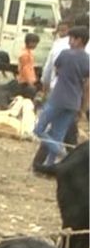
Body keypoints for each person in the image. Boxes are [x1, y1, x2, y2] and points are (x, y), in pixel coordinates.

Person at [32, 26, 88, 175]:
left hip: (58, 98)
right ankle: (49, 167)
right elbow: (87, 86)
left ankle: (64, 154)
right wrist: (82, 108)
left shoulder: (65, 54)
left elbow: (56, 71)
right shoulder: (87, 59)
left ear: (79, 40)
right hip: (74, 102)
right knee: (58, 134)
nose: (69, 41)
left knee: (38, 129)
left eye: (72, 38)